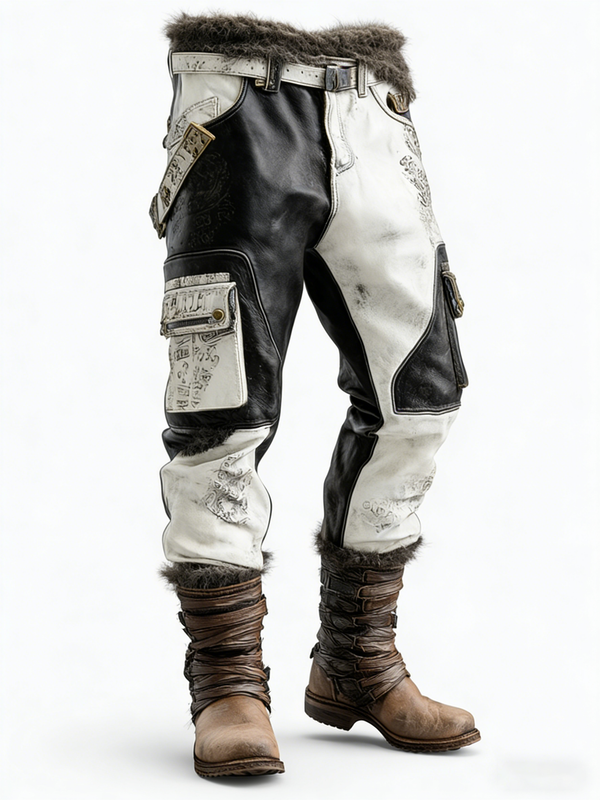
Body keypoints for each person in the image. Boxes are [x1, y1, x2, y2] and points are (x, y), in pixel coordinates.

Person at [151, 12, 480, 778]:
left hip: (376, 107)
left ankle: (357, 663)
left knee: (420, 397)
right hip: (236, 99)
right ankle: (228, 684)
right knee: (223, 411)